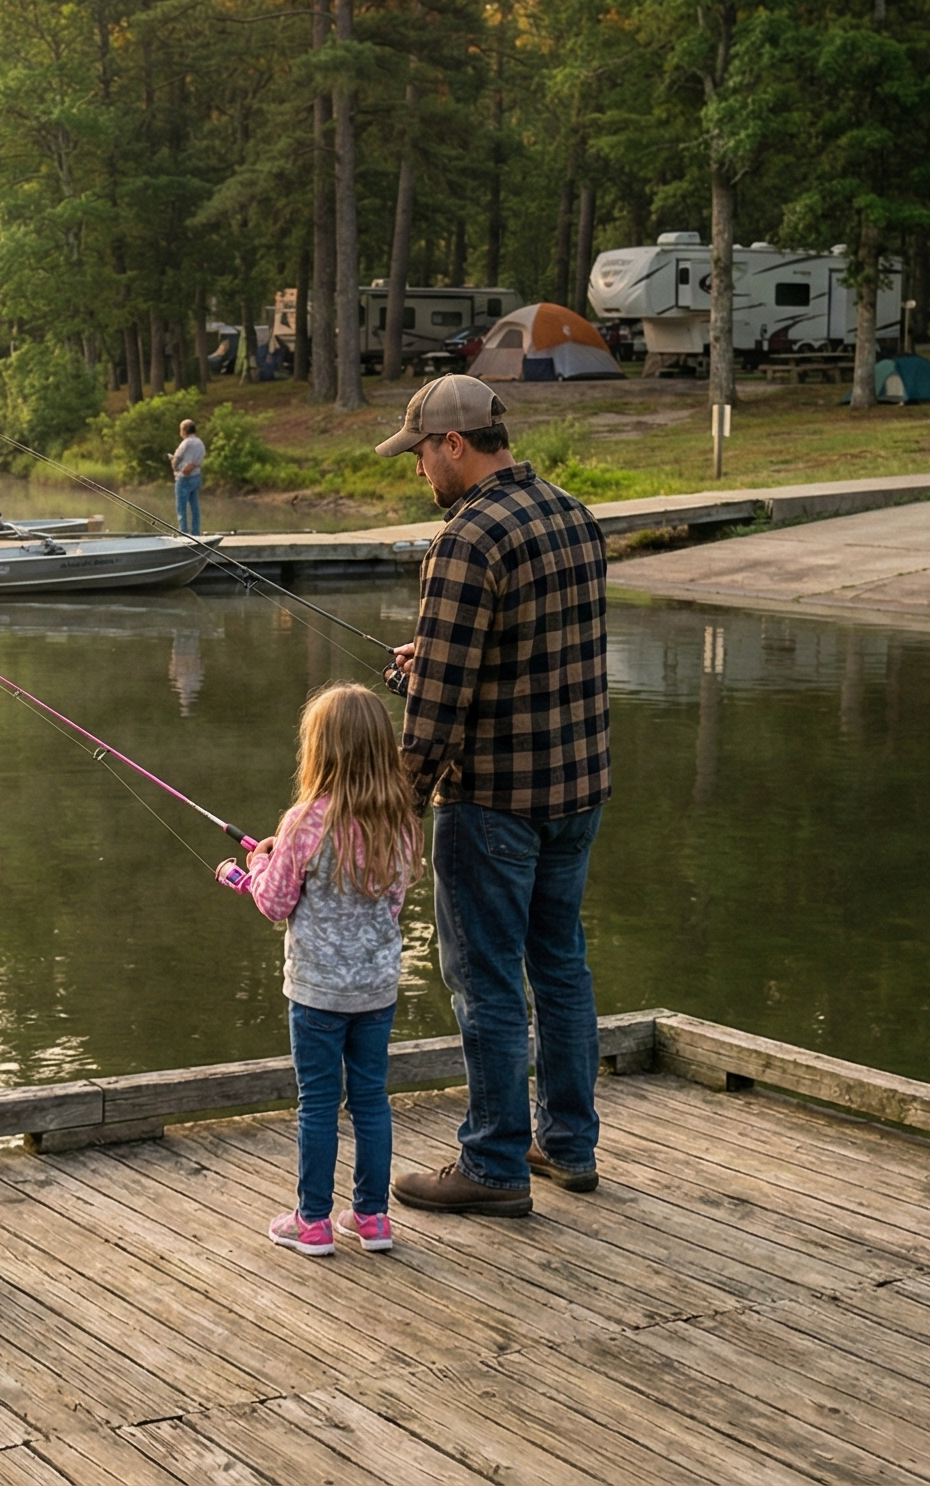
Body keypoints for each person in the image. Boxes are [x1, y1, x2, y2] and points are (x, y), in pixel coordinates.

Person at [377, 373, 611, 1219]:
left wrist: (394, 806)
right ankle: (568, 1144)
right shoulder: (572, 514)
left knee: (484, 982)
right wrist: (433, 653)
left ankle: (493, 1165)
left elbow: (438, 714)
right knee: (561, 967)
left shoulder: (467, 537)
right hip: (578, 788)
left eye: (419, 455)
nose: (416, 473)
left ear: (454, 445)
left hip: (495, 801)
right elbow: (539, 647)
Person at [239, 682, 420, 1257]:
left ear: (319, 750)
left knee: (317, 1104)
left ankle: (312, 1221)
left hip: (316, 993)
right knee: (370, 1099)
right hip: (377, 990)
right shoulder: (401, 822)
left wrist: (255, 865)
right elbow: (393, 903)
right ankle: (372, 1218)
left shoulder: (304, 822)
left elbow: (274, 904)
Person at [169, 418, 206, 534]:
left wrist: (172, 462)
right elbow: (199, 459)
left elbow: (177, 460)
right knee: (194, 506)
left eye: (181, 429)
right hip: (196, 476)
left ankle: (183, 532)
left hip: (184, 478)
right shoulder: (200, 443)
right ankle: (196, 532)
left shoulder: (185, 443)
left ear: (184, 430)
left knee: (181, 507)